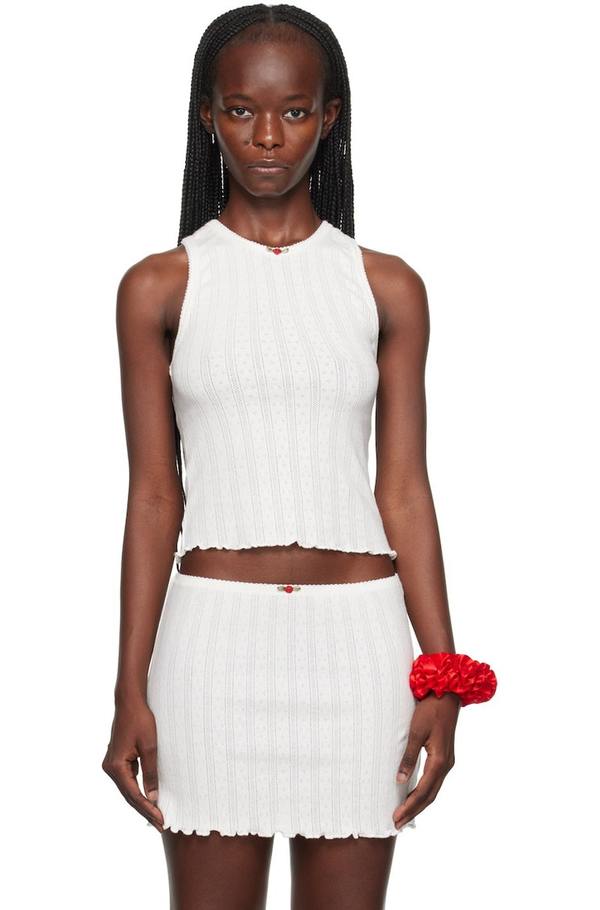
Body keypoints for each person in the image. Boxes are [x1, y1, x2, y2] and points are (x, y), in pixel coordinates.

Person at [102, 5, 496, 909]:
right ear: (209, 115)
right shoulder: (159, 286)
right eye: (242, 110)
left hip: (359, 652)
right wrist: (128, 687)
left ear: (330, 115)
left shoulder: (385, 285)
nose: (268, 137)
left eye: (294, 110)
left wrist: (442, 674)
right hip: (211, 651)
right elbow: (154, 494)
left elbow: (404, 490)